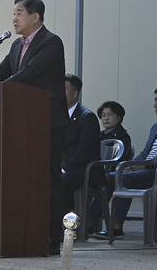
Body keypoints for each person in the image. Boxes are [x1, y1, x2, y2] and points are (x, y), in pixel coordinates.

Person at [0, 0, 69, 256]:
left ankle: (52, 237)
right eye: (13, 13)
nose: (14, 18)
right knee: (24, 180)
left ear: (35, 17)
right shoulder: (15, 46)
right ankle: (26, 232)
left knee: (48, 180)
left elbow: (29, 74)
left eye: (19, 13)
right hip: (24, 125)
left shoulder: (51, 42)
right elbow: (1, 73)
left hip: (47, 123)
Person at [94, 84, 157, 240]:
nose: (154, 105)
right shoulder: (156, 126)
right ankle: (89, 222)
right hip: (148, 171)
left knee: (123, 179)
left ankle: (116, 227)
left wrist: (146, 165)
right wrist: (131, 165)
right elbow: (145, 153)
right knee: (110, 176)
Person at [88, 101, 132, 231]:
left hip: (110, 173)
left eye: (110, 114)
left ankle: (89, 221)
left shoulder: (123, 137)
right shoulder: (99, 135)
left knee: (103, 180)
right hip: (97, 171)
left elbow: (122, 159)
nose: (106, 118)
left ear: (119, 117)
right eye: (103, 115)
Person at [61, 74, 100, 213]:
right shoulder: (57, 116)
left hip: (85, 169)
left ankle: (64, 222)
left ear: (75, 93)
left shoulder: (87, 117)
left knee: (57, 183)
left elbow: (84, 152)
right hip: (65, 167)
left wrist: (64, 169)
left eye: (64, 89)